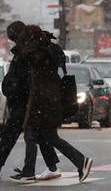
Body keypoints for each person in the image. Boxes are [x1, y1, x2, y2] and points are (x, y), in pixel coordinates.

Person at [9, 25, 92, 183]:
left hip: (43, 104)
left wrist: (32, 41)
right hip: (45, 102)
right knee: (46, 137)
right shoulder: (46, 49)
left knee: (34, 136)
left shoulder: (41, 52)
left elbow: (26, 54)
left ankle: (29, 172)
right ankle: (80, 161)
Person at [0, 21, 61, 182]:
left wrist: (12, 91)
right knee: (40, 136)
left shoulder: (26, 53)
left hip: (24, 103)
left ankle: (30, 171)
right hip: (28, 102)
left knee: (10, 136)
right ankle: (52, 167)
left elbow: (21, 79)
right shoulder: (29, 51)